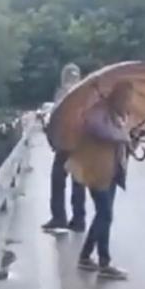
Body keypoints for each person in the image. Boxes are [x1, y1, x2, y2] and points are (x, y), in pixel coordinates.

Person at [76, 81, 134, 280]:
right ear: (117, 96)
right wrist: (122, 136)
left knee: (103, 215)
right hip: (97, 170)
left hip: (112, 172)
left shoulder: (118, 115)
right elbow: (99, 130)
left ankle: (86, 256)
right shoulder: (98, 111)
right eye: (126, 98)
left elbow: (121, 140)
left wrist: (130, 140)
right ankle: (104, 262)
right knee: (105, 214)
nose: (128, 102)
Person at [42, 63, 87, 233]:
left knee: (61, 179)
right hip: (76, 143)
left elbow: (56, 116)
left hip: (68, 142)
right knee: (76, 181)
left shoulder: (67, 95)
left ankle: (61, 217)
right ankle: (77, 218)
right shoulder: (82, 94)